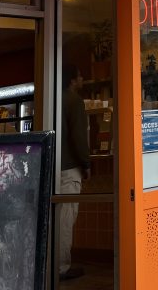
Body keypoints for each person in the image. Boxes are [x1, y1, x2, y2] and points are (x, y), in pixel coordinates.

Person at [59, 64, 90, 282]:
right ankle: (61, 267)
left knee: (55, 218)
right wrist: (86, 163)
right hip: (69, 168)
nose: (82, 79)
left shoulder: (52, 96)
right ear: (72, 79)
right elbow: (79, 137)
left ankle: (51, 263)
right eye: (80, 75)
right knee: (66, 219)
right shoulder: (74, 101)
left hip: (54, 166)